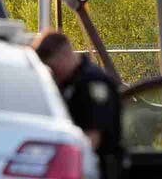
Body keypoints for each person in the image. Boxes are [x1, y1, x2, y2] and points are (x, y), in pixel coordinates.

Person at [33, 31, 122, 179]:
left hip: (95, 167)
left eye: (53, 68)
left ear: (63, 56)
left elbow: (93, 137)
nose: (53, 75)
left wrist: (68, 167)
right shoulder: (70, 82)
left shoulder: (92, 83)